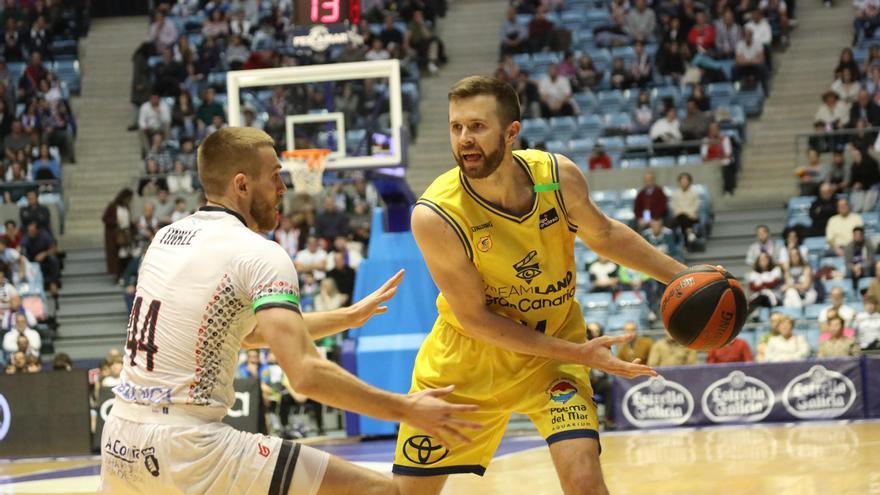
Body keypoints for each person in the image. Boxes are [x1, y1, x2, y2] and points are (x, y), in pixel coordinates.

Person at [98, 127, 479, 494]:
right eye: (275, 176)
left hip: (120, 439)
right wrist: (406, 409)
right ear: (242, 185)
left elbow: (243, 334)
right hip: (192, 448)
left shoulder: (166, 238)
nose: (284, 187)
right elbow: (305, 374)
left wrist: (344, 317)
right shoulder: (259, 253)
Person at [394, 76, 671, 495]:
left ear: (511, 132)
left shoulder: (555, 176)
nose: (464, 139)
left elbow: (605, 235)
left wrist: (684, 277)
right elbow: (477, 320)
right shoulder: (436, 214)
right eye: (456, 127)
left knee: (584, 482)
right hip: (466, 367)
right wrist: (579, 353)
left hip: (550, 357)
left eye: (477, 127)